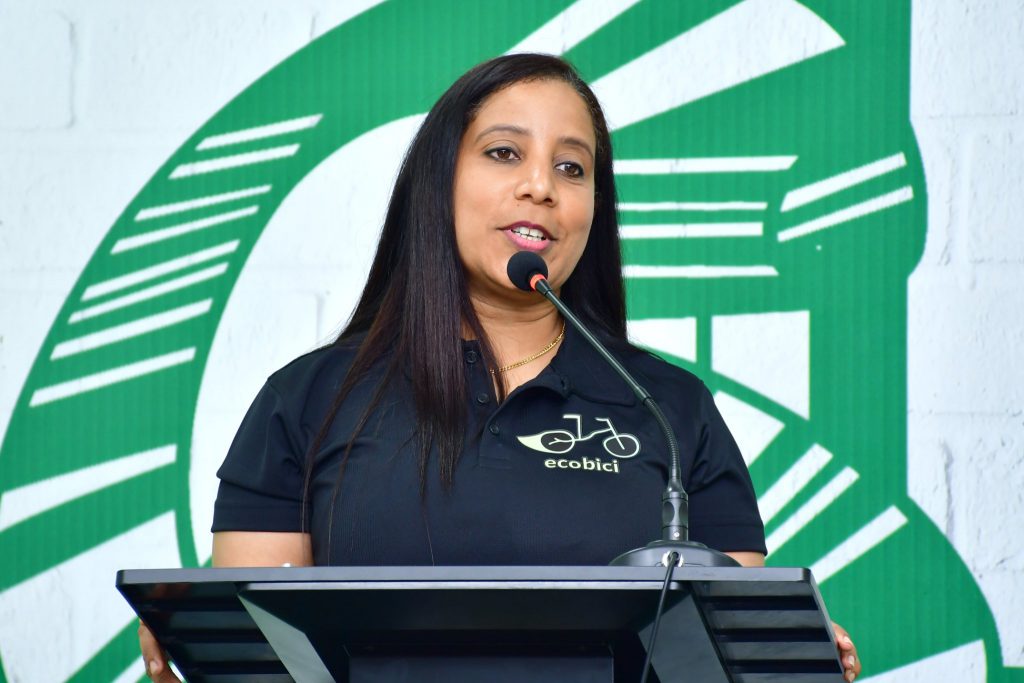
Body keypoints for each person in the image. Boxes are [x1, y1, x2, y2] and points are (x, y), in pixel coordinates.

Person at [140, 53, 860, 682]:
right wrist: (205, 649)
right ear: (439, 180)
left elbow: (725, 650)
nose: (541, 186)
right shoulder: (306, 399)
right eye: (505, 153)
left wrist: (787, 655)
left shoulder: (671, 410)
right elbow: (260, 652)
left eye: (571, 167)